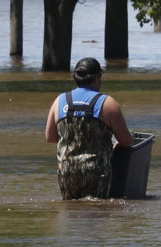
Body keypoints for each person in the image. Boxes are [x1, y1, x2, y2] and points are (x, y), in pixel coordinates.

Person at [45, 57, 133, 200]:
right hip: (96, 172)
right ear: (98, 77)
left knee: (72, 213)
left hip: (67, 170)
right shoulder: (107, 104)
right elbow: (126, 141)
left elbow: (51, 137)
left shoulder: (60, 101)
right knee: (95, 214)